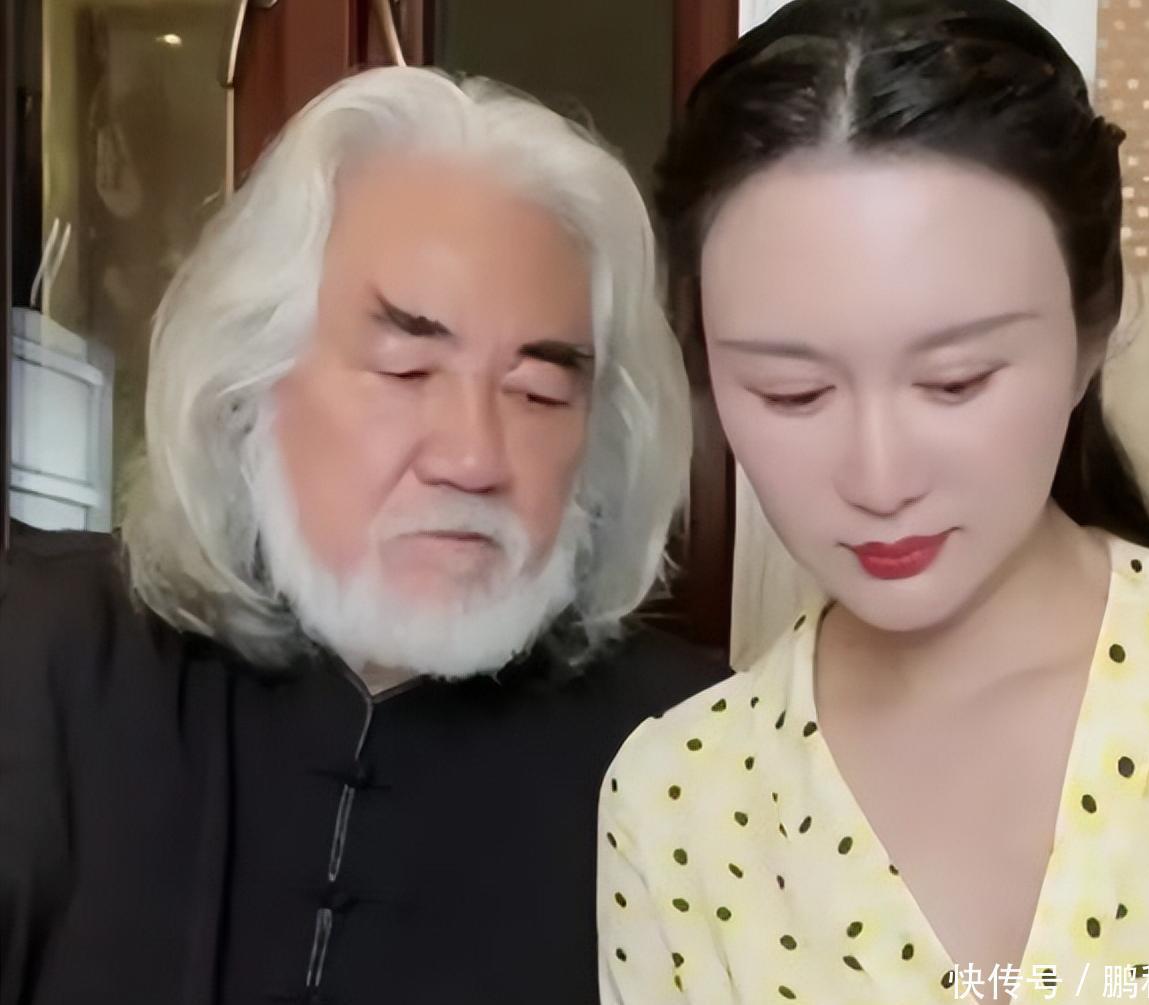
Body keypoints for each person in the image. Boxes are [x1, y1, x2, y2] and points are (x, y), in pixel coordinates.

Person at [596, 2, 1149, 1002]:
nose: (879, 479)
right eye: (792, 393)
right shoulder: (681, 798)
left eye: (957, 380)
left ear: (1090, 329)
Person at [0, 66, 726, 1005]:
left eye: (541, 392)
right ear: (251, 380)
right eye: (406, 370)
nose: (474, 458)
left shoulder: (691, 760)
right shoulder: (41, 655)